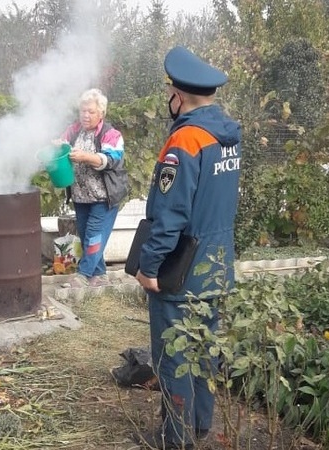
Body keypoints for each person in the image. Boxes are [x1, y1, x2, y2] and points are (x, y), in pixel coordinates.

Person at [133, 46, 242, 449]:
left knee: (175, 357)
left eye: (169, 94)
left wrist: (149, 267)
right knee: (204, 351)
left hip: (180, 271)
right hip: (216, 266)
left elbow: (172, 214)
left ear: (177, 96)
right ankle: (198, 427)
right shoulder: (227, 135)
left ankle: (174, 440)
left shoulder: (185, 140)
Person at [60, 88, 128, 288]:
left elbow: (111, 160)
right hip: (81, 196)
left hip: (103, 196)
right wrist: (57, 146)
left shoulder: (111, 134)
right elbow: (62, 144)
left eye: (90, 111)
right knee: (85, 235)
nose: (85, 115)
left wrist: (86, 157)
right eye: (83, 111)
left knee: (94, 235)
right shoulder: (74, 130)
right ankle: (100, 275)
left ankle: (82, 275)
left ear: (101, 113)